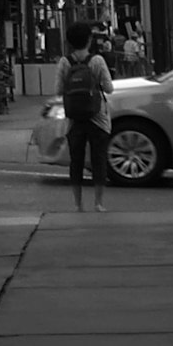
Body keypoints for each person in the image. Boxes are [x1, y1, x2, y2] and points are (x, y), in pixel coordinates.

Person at [62, 32, 117, 212]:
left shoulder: (65, 62)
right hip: (97, 117)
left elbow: (57, 89)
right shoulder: (98, 61)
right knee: (99, 159)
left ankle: (78, 204)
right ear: (89, 41)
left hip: (74, 118)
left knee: (75, 161)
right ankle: (98, 203)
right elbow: (109, 89)